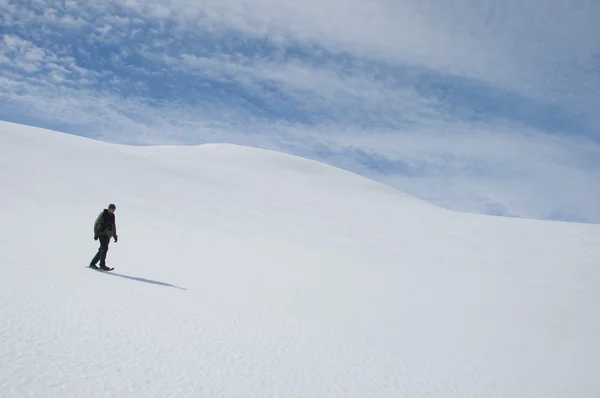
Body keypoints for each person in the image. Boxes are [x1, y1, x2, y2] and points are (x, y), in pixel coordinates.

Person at [90, 203, 118, 270]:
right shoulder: (103, 214)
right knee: (104, 248)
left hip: (108, 235)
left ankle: (92, 263)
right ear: (109, 208)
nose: (112, 211)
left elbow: (113, 226)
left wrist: (115, 236)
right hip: (101, 233)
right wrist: (96, 233)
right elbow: (97, 223)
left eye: (113, 210)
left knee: (101, 250)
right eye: (111, 209)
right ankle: (102, 265)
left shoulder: (112, 216)